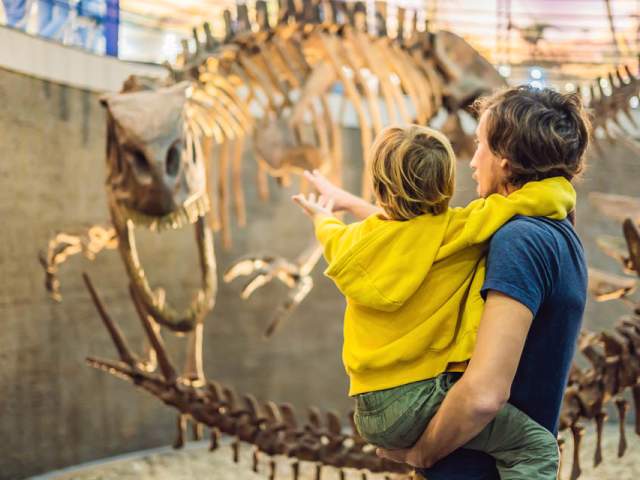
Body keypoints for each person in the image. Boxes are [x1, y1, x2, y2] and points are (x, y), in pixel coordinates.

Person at [300, 86, 590, 479]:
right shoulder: (550, 232)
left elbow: (484, 397)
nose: (472, 161)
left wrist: (421, 454)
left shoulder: (520, 241)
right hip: (457, 441)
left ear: (505, 162)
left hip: (386, 412)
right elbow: (422, 240)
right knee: (537, 450)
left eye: (480, 145)